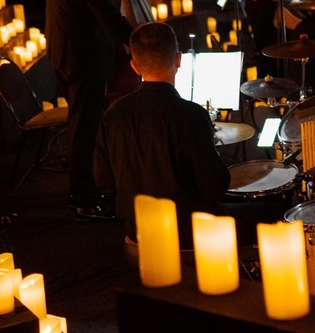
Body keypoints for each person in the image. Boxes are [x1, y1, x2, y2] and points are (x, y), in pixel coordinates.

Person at [93, 22, 230, 250]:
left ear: (135, 66)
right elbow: (215, 187)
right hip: (189, 231)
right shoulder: (191, 115)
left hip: (137, 231)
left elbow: (103, 180)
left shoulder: (113, 113)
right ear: (178, 59)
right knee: (269, 212)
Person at [44, 0, 135, 218]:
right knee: (84, 128)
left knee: (79, 123)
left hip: (61, 50)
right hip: (86, 58)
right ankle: (83, 198)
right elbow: (108, 14)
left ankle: (88, 187)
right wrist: (140, 40)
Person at [247, 0, 303, 78]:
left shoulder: (252, 3)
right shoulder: (275, 9)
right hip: (278, 69)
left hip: (263, 65)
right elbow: (303, 27)